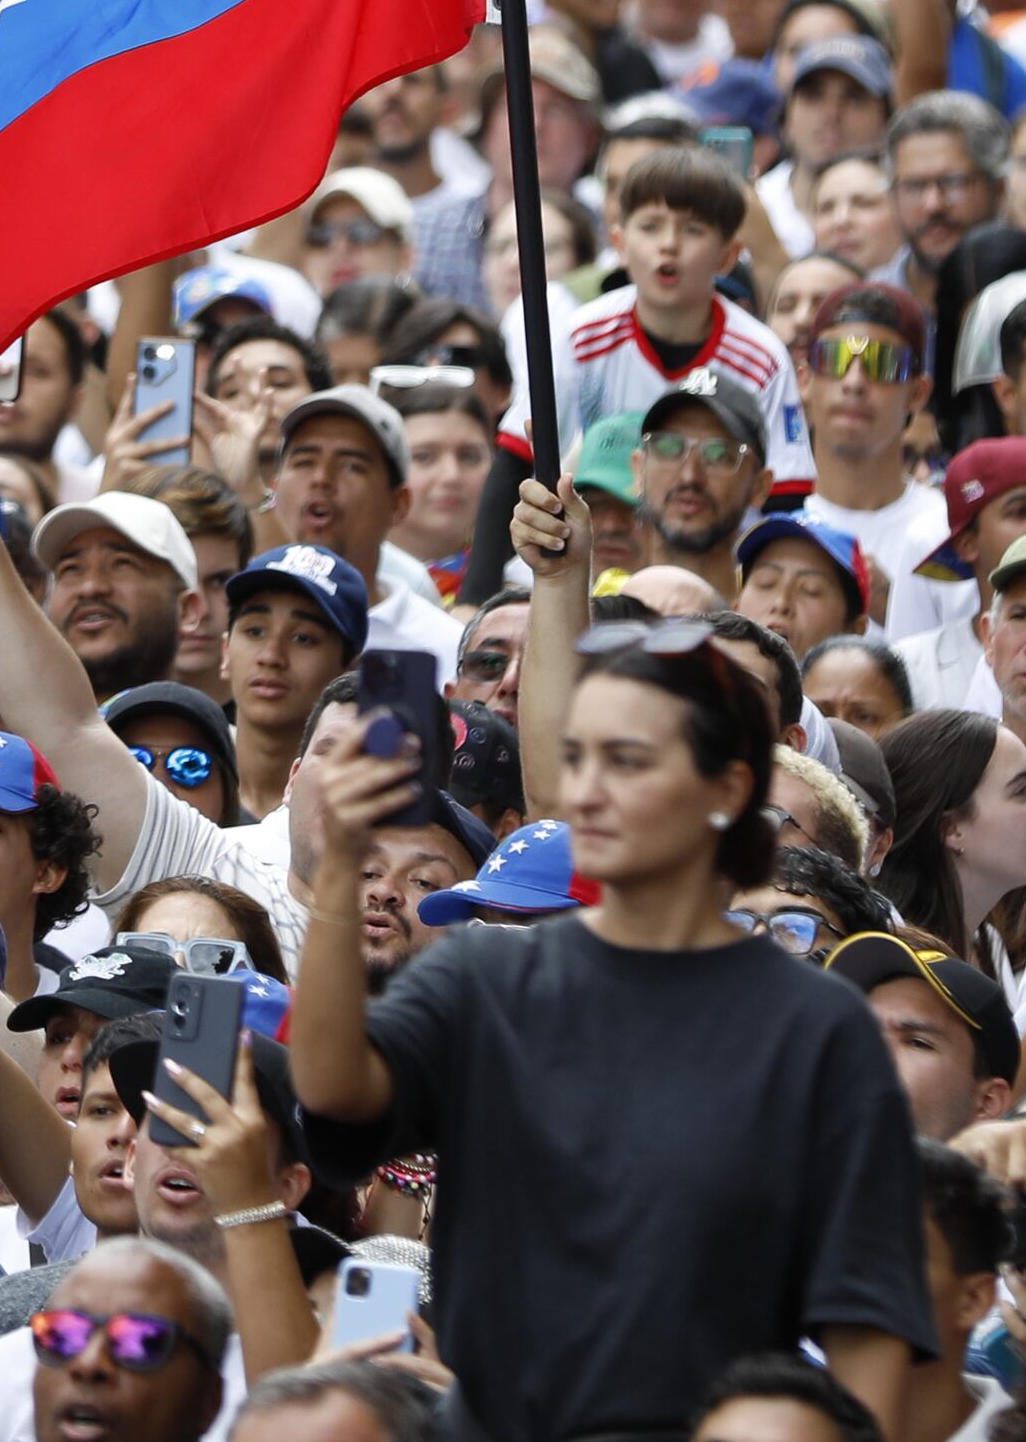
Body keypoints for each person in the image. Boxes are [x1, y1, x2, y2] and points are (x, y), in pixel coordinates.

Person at [288, 613, 935, 1440]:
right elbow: (336, 1087)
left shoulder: (819, 1026)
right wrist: (342, 861)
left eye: (628, 759)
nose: (589, 789)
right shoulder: (480, 977)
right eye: (579, 755)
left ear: (729, 790)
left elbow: (867, 1314)